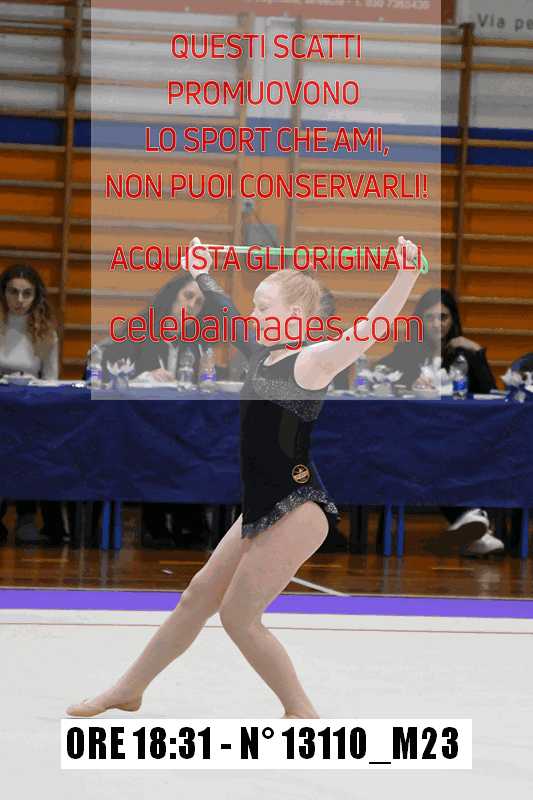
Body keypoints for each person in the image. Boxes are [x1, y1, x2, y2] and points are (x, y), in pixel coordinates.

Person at [66, 235, 422, 719]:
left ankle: (300, 711)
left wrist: (405, 275)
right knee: (197, 597)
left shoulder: (312, 362)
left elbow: (370, 330)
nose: (252, 315)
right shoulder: (260, 352)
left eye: (263, 307)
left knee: (238, 617)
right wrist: (200, 271)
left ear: (294, 316)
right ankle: (128, 690)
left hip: (298, 506)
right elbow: (225, 309)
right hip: (263, 504)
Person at [380, 287, 502, 557]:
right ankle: (474, 521)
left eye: (443, 317)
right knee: (437, 454)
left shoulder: (464, 353)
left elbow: (490, 392)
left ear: (453, 320)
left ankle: (474, 526)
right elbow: (381, 377)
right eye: (430, 317)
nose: (437, 324)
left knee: (467, 453)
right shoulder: (407, 351)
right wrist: (407, 384)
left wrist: (477, 351)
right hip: (416, 437)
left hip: (462, 435)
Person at [0, 264, 66, 546]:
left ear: (36, 296)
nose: (19, 300)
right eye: (13, 292)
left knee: (32, 447)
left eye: (26, 293)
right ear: (3, 293)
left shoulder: (46, 333)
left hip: (29, 411)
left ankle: (27, 516)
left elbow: (51, 381)